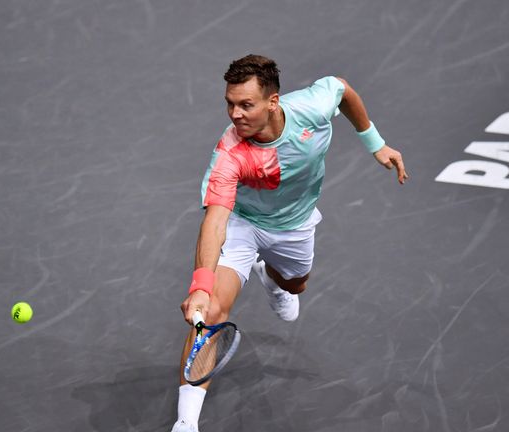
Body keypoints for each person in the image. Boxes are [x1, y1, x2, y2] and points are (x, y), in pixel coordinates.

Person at [171, 54, 408, 432]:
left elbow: (342, 88)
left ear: (273, 102)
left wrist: (374, 142)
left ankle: (271, 277)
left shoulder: (311, 108)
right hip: (242, 225)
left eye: (246, 105)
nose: (235, 114)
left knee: (295, 284)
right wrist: (201, 286)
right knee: (213, 312)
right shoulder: (229, 155)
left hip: (294, 226)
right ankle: (186, 423)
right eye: (230, 104)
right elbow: (215, 220)